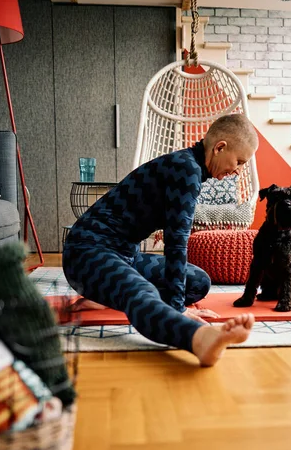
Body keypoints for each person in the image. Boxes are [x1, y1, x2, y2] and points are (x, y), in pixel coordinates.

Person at [63, 113, 258, 366]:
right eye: (239, 161)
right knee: (142, 292)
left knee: (197, 282)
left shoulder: (190, 166)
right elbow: (176, 243)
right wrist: (178, 308)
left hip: (125, 255)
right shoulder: (186, 169)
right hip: (86, 253)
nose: (237, 171)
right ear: (220, 147)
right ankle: (199, 340)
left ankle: (107, 294)